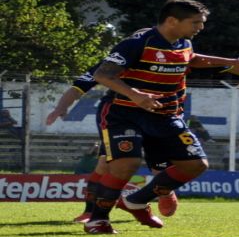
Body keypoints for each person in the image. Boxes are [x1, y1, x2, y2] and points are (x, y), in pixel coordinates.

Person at [86, 0, 239, 234]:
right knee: (127, 164)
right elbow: (103, 75)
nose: (201, 27)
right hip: (125, 114)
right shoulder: (137, 43)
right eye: (195, 22)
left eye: (201, 22)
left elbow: (192, 59)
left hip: (164, 116)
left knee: (195, 165)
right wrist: (135, 94)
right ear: (172, 21)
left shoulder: (183, 43)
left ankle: (135, 201)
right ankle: (98, 219)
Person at [45, 58, 180, 224]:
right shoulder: (114, 62)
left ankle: (165, 193)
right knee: (105, 164)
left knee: (160, 169)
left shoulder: (167, 62)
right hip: (120, 120)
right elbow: (78, 87)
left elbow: (189, 67)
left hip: (157, 117)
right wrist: (61, 107)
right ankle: (91, 212)